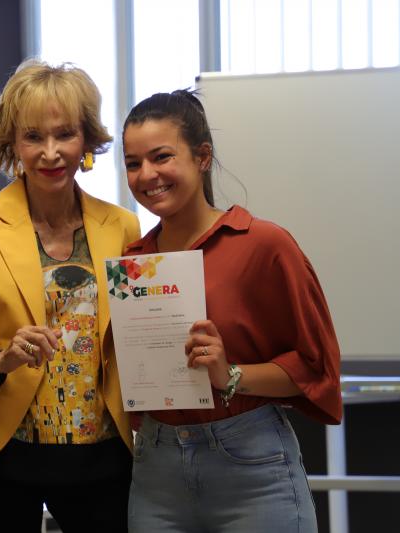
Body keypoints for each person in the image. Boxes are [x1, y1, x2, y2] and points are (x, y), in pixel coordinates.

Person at [120, 90, 342, 532]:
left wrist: (231, 373)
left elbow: (317, 367)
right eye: (132, 163)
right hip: (156, 470)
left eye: (161, 157)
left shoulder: (263, 244)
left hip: (251, 467)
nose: (147, 175)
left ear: (202, 157)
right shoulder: (133, 263)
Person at [0, 59, 140, 533]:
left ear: (86, 140)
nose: (51, 152)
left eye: (64, 134)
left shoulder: (123, 226)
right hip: (3, 458)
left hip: (105, 457)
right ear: (12, 144)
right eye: (33, 137)